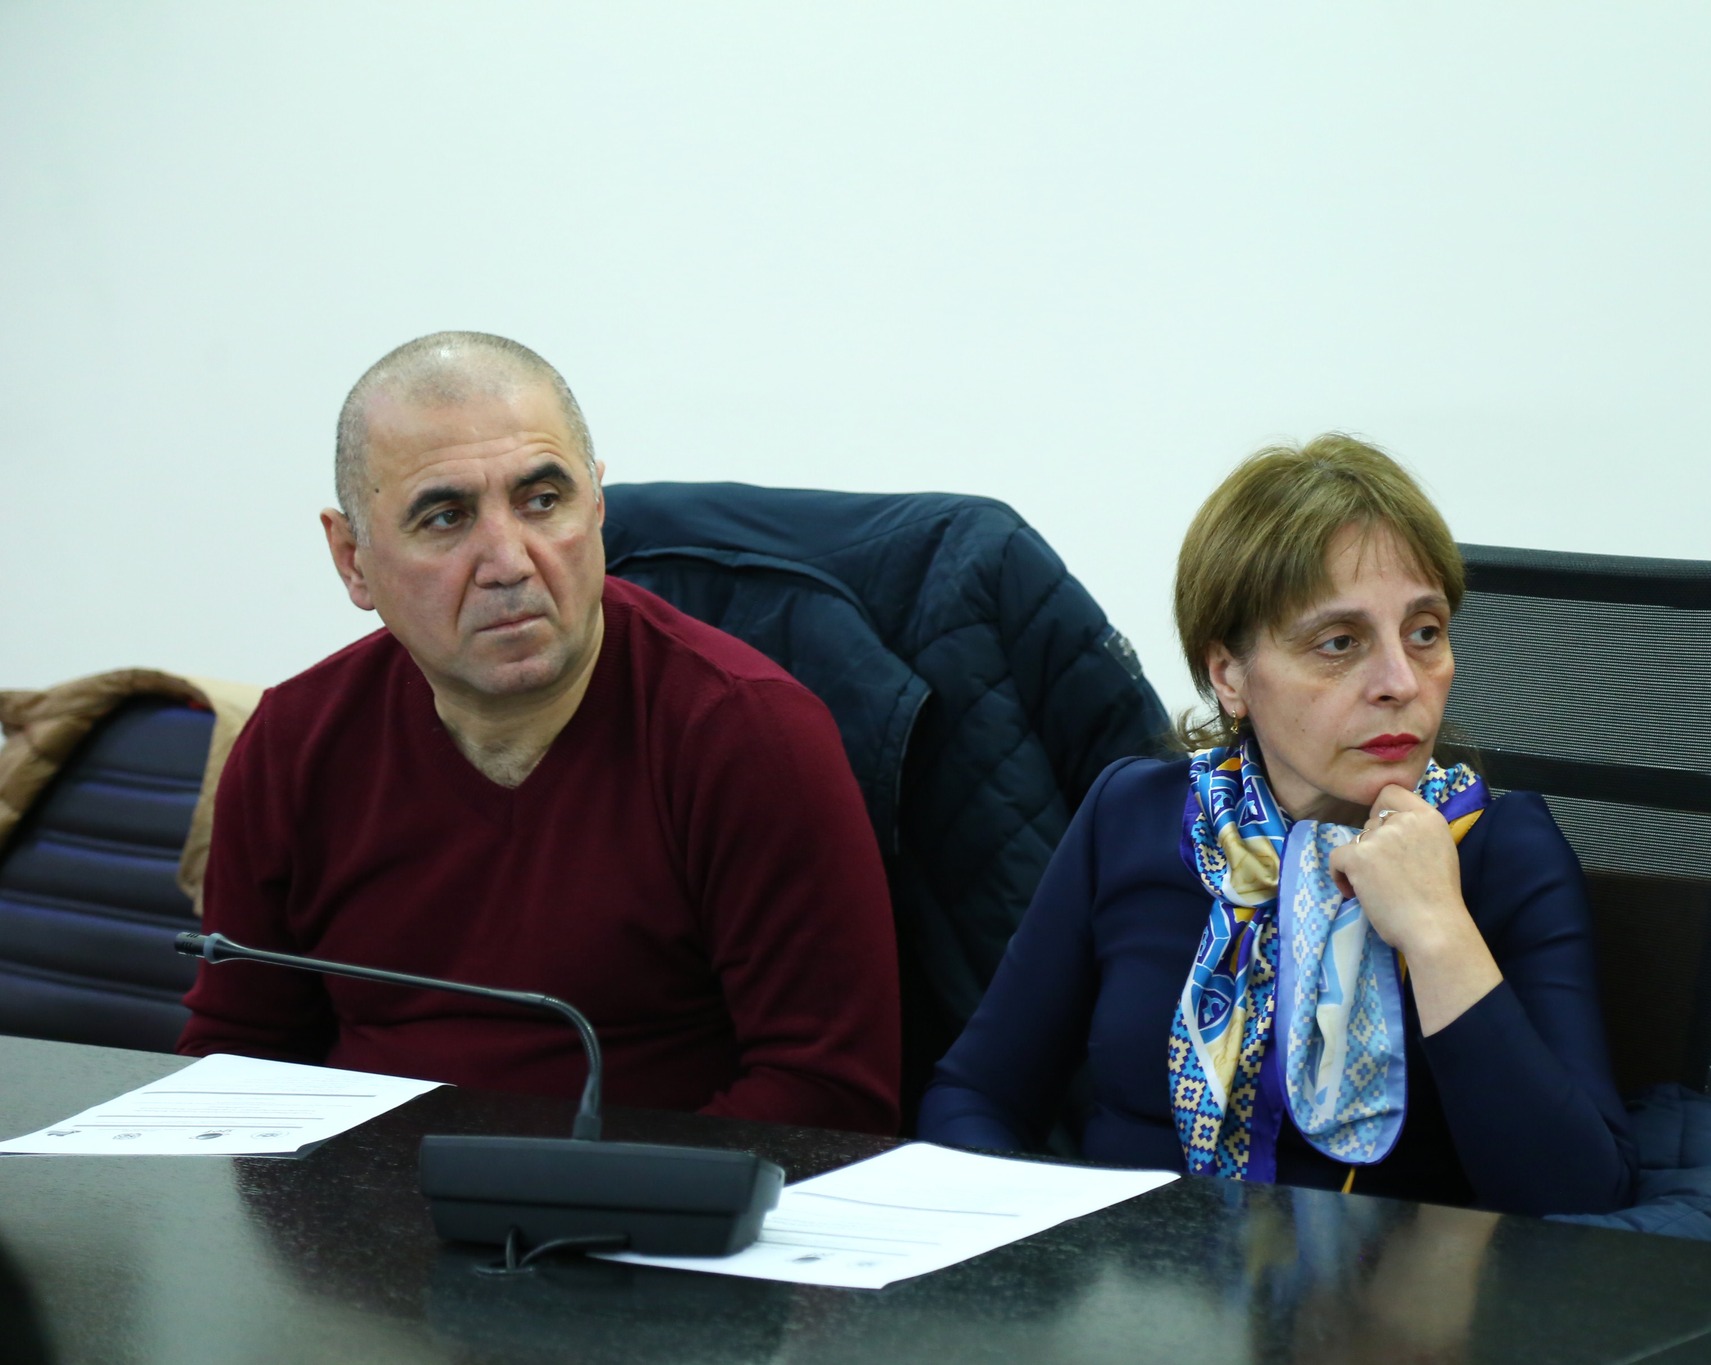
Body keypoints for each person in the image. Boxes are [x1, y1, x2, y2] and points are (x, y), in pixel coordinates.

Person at [178, 331, 901, 1135]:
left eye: (543, 500)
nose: (509, 561)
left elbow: (828, 1097)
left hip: (648, 1203)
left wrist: (578, 1198)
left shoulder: (750, 738)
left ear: (598, 507)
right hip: (355, 1200)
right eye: (445, 517)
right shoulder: (292, 745)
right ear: (353, 559)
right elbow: (237, 1057)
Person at [920, 434, 1636, 1213]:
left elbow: (1580, 1196)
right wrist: (1043, 1246)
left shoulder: (1503, 849)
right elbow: (973, 1095)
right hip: (1131, 1277)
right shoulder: (1132, 815)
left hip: (1386, 1288)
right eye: (1340, 643)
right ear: (1229, 674)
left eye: (1425, 632)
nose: (1400, 681)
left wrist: (1437, 931)